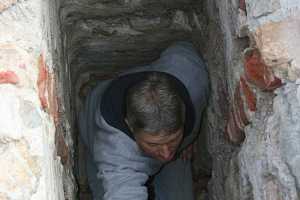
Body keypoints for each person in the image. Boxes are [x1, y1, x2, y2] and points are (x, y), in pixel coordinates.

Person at [78, 41, 209, 200]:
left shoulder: (192, 77)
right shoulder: (114, 148)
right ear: (129, 125)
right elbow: (123, 192)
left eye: (173, 139)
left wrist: (188, 139)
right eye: (153, 144)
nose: (167, 154)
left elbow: (182, 48)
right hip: (97, 137)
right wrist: (179, 140)